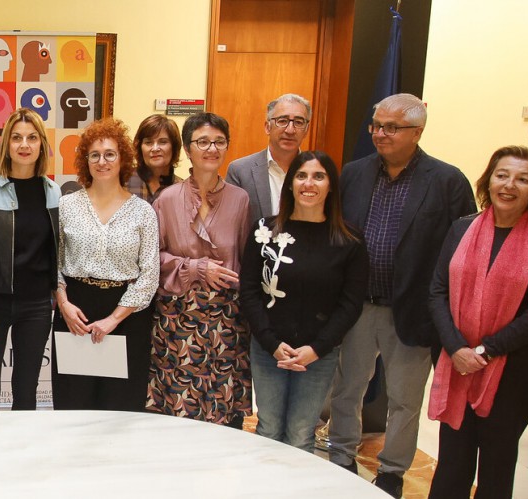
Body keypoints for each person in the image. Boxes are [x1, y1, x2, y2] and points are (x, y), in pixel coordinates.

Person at [327, 93, 476, 498]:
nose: (380, 134)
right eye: (376, 125)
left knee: (405, 400)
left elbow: (463, 247)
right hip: (358, 305)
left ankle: (392, 471)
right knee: (347, 388)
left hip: (411, 310)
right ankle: (340, 455)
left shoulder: (447, 181)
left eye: (391, 127)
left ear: (417, 131)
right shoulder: (354, 173)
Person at [424, 146, 528, 497]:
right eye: (502, 175)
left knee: (497, 462)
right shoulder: (462, 228)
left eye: (523, 179)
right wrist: (456, 347)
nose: (509, 185)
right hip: (456, 362)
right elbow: (437, 290)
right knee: (452, 459)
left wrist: (484, 351)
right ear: (489, 181)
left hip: (514, 371)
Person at [239, 151, 366, 451]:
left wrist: (317, 349)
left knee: (300, 434)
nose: (309, 184)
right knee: (269, 429)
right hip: (269, 350)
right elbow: (249, 291)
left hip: (318, 355)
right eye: (301, 176)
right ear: (290, 184)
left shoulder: (349, 240)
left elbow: (350, 304)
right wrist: (271, 343)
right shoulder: (264, 232)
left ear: (331, 186)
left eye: (318, 176)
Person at [146, 112, 251, 425]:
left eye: (219, 142)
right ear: (188, 149)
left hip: (225, 320)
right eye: (203, 142)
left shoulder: (240, 200)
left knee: (222, 412)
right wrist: (195, 267)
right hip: (178, 318)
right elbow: (150, 259)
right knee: (179, 410)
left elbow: (246, 259)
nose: (212, 149)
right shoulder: (167, 199)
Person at [52, 118, 160, 411]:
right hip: (76, 313)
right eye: (94, 155)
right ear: (85, 161)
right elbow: (54, 262)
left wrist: (113, 319)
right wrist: (63, 303)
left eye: (110, 154)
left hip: (126, 316)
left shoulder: (143, 212)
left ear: (122, 159)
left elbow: (150, 275)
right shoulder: (67, 206)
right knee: (74, 403)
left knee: (120, 408)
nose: (102, 162)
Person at [0, 107, 62, 411]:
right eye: (17, 138)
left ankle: (22, 442)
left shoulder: (53, 192)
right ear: (6, 144)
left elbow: (57, 251)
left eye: (32, 138)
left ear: (42, 144)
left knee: (26, 388)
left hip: (36, 305)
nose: (24, 145)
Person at [228, 94, 312, 221]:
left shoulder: (317, 173)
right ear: (268, 127)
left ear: (306, 130)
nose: (290, 130)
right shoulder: (240, 171)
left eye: (298, 122)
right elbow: (232, 223)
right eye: (282, 121)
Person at [128, 114, 182, 203]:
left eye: (163, 142)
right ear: (140, 147)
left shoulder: (182, 190)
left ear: (174, 147)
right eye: (148, 142)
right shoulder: (123, 182)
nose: (155, 148)